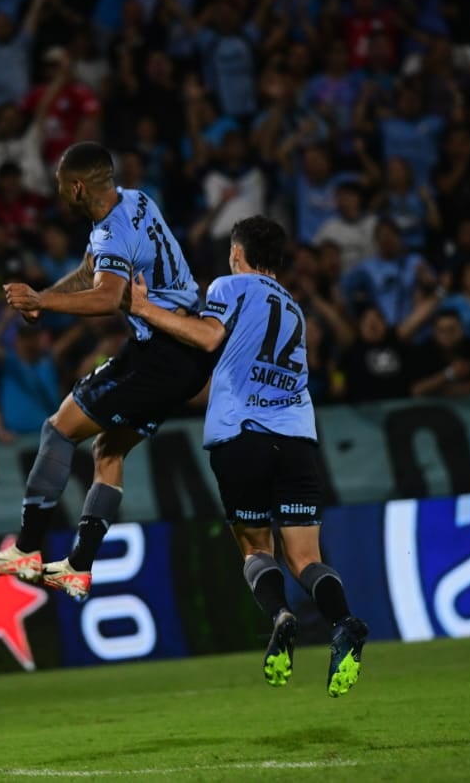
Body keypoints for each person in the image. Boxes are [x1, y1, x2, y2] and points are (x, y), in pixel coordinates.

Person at [128, 215, 368, 694]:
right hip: (297, 442)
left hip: (242, 438)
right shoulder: (296, 310)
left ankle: (281, 615)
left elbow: (209, 336)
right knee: (306, 559)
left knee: (256, 549)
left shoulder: (230, 287)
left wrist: (144, 307)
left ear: (238, 254)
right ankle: (343, 623)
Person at [0, 142, 212, 601]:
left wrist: (41, 301)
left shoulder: (109, 233)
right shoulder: (137, 200)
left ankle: (25, 549)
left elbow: (104, 296)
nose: (59, 193)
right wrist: (46, 297)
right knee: (108, 451)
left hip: (160, 353)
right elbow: (88, 272)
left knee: (58, 430)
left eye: (61, 186)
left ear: (78, 186)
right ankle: (77, 567)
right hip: (188, 356)